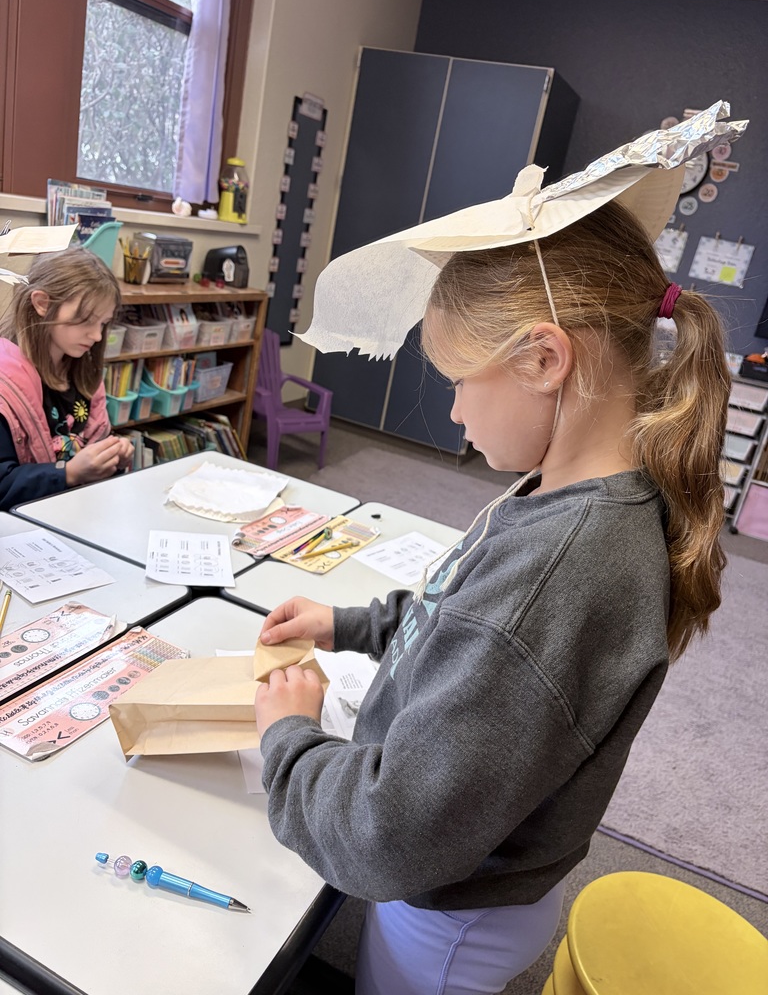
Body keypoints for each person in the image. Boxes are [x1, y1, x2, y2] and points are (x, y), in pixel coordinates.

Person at [252, 115, 738, 995]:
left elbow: (384, 836)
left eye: (457, 385)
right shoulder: (571, 494)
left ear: (544, 359)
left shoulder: (561, 570)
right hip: (481, 872)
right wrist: (351, 621)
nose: (454, 419)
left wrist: (286, 738)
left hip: (449, 915)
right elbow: (458, 615)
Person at [0, 246, 134, 510]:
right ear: (42, 303)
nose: (96, 336)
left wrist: (112, 458)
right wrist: (69, 473)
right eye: (85, 320)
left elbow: (95, 440)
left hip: (75, 511)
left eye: (103, 323)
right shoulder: (5, 385)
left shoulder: (82, 369)